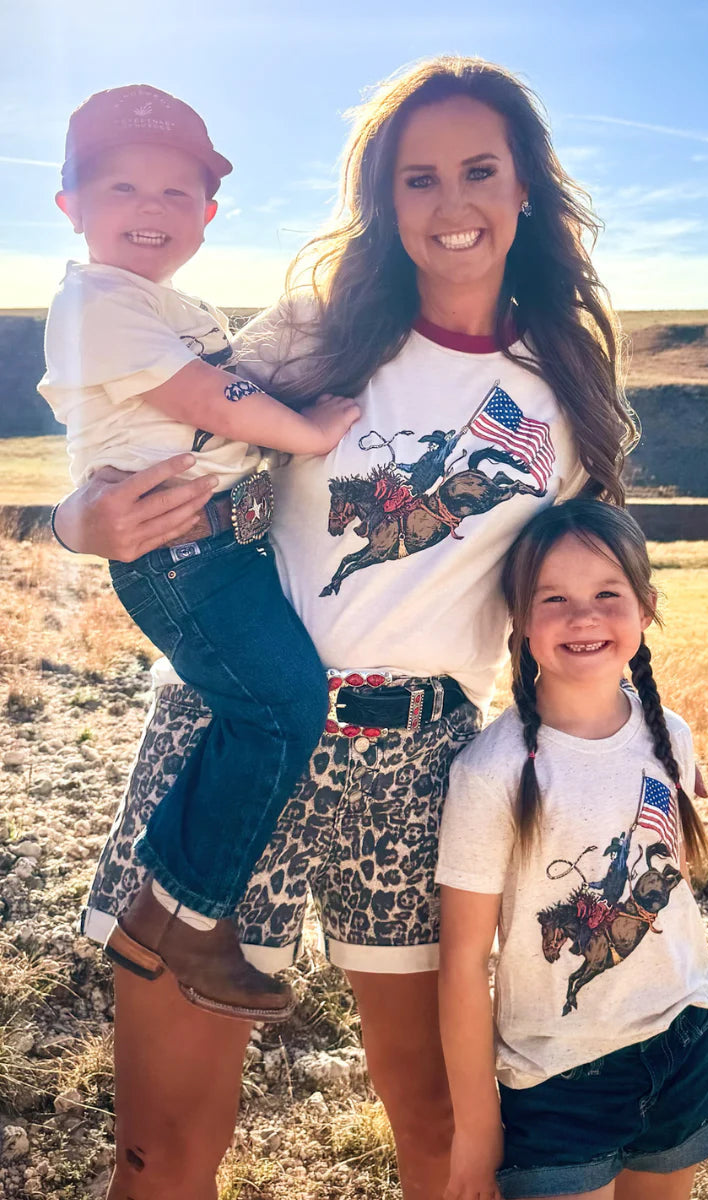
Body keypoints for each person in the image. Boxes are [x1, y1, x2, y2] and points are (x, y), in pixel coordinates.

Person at [52, 57, 639, 1200]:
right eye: (418, 178)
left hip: (419, 769)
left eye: (478, 171)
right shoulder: (323, 329)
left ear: (525, 186)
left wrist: (616, 765)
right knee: (161, 1149)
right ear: (386, 197)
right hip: (234, 738)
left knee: (443, 1133)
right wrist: (79, 522)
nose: (450, 203)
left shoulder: (562, 391)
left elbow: (577, 600)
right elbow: (150, 424)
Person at [38, 84, 360, 1022]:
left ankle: (158, 913)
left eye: (176, 193)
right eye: (123, 188)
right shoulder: (97, 304)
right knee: (279, 711)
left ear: (208, 215)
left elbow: (227, 388)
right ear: (71, 207)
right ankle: (188, 917)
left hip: (221, 548)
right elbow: (213, 401)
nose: (152, 209)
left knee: (274, 705)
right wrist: (310, 432)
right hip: (177, 555)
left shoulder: (174, 306)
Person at [437, 500, 708, 1200]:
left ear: (645, 608)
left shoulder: (670, 735)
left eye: (607, 594)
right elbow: (464, 963)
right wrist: (476, 1132)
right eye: (554, 599)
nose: (583, 617)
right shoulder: (491, 773)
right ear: (518, 618)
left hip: (682, 1041)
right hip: (558, 1079)